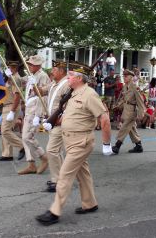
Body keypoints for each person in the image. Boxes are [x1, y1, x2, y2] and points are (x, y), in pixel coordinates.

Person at [36, 62, 112, 226]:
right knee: (82, 174)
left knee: (64, 175)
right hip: (70, 141)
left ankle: (54, 211)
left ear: (78, 78)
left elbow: (104, 118)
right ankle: (90, 203)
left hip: (81, 142)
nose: (68, 78)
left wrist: (106, 144)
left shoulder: (89, 94)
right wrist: (53, 122)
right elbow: (70, 116)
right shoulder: (73, 93)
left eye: (70, 75)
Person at [18, 55, 51, 175]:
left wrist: (38, 114)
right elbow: (21, 82)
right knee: (25, 138)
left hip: (35, 109)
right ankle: (31, 164)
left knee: (27, 137)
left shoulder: (43, 76)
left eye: (31, 64)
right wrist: (11, 75)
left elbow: (44, 96)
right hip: (29, 108)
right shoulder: (32, 75)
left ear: (37, 65)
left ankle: (44, 157)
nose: (29, 66)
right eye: (29, 64)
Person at [40, 60, 70, 192]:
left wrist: (56, 122)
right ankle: (63, 178)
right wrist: (32, 83)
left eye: (54, 69)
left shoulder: (67, 85)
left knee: (51, 150)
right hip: (51, 122)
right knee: (57, 151)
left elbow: (68, 108)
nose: (52, 72)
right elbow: (40, 91)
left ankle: (57, 181)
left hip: (59, 123)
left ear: (61, 71)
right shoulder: (54, 83)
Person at [0, 61, 25, 162]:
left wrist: (12, 111)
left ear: (16, 68)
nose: (10, 69)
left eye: (12, 67)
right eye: (9, 67)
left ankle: (22, 146)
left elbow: (17, 96)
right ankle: (7, 154)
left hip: (12, 106)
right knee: (5, 131)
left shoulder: (16, 78)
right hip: (6, 106)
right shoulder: (10, 78)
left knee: (5, 130)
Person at [112, 70, 146, 155]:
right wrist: (118, 105)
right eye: (124, 76)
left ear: (131, 77)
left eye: (126, 76)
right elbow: (124, 99)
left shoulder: (134, 87)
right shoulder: (125, 86)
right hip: (126, 109)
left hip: (132, 110)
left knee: (125, 126)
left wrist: (142, 113)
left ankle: (117, 145)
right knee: (131, 129)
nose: (124, 77)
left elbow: (140, 100)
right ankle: (138, 146)